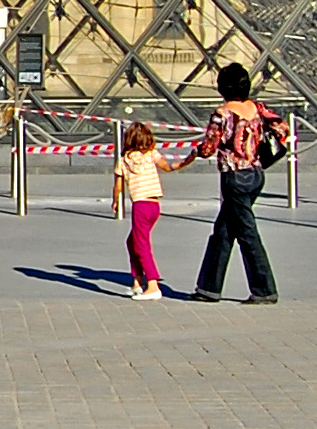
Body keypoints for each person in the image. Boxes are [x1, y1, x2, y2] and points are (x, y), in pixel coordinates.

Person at [185, 63, 288, 304]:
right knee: (223, 230)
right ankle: (208, 288)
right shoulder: (257, 108)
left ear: (223, 87)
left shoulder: (222, 114)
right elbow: (283, 129)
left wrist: (199, 151)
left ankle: (264, 289)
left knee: (247, 233)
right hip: (256, 174)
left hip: (235, 177)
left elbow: (209, 147)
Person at [112, 122, 183, 300]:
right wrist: (188, 160)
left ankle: (152, 284)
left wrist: (115, 201)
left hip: (140, 205)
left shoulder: (123, 160)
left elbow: (118, 185)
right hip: (154, 205)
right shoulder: (152, 154)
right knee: (132, 241)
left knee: (141, 244)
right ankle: (137, 281)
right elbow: (168, 167)